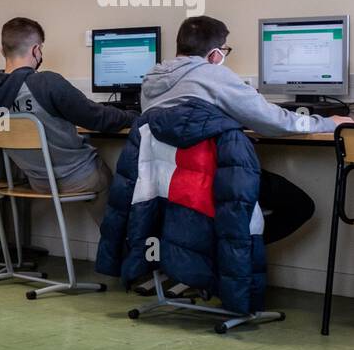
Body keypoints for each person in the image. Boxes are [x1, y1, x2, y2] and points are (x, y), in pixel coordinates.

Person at [143, 15, 352, 243]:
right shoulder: (214, 75)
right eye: (225, 50)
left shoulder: (151, 81)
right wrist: (329, 123)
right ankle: (236, 246)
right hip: (212, 179)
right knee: (299, 206)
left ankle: (216, 246)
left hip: (167, 183)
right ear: (216, 54)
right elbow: (273, 121)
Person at [0, 17, 133, 226]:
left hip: (37, 181)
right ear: (36, 50)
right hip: (78, 178)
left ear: (2, 51)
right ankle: (118, 251)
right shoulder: (46, 83)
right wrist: (133, 117)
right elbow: (99, 118)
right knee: (117, 183)